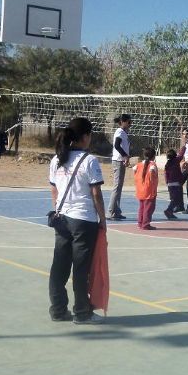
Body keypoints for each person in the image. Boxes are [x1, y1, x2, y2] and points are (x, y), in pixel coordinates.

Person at [48, 117, 106, 325]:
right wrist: (103, 219)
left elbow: (54, 189)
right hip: (83, 221)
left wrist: (57, 210)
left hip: (62, 218)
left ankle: (58, 310)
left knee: (59, 266)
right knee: (81, 270)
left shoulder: (57, 159)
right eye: (90, 135)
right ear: (85, 136)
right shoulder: (89, 161)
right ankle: (82, 313)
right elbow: (96, 193)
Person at [108, 114, 132, 220]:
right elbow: (117, 145)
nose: (130, 124)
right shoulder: (119, 132)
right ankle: (111, 212)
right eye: (129, 122)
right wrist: (125, 155)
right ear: (123, 122)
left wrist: (126, 157)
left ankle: (116, 211)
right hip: (118, 161)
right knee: (117, 187)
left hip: (121, 161)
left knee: (119, 187)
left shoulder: (123, 133)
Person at [133, 147, 159, 230]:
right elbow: (151, 173)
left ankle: (140, 223)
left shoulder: (138, 165)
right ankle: (146, 223)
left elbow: (134, 171)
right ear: (154, 156)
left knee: (142, 207)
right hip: (149, 190)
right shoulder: (152, 165)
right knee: (149, 208)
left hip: (140, 189)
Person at [163, 148, 184, 219]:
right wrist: (184, 146)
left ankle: (171, 212)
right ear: (175, 155)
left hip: (170, 184)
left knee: (174, 199)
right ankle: (168, 210)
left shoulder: (167, 164)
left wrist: (167, 181)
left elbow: (165, 173)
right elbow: (181, 155)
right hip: (176, 183)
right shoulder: (176, 161)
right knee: (176, 199)